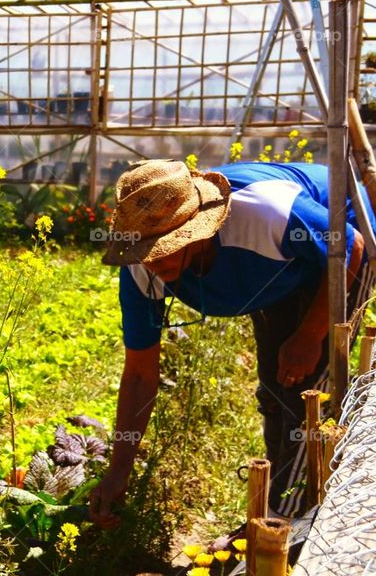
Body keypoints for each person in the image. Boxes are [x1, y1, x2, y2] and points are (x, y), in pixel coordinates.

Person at [88, 159, 375, 530]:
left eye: (165, 249)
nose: (153, 263)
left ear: (198, 231)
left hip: (343, 247)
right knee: (276, 387)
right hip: (280, 271)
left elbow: (350, 246)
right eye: (145, 251)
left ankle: (283, 524)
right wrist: (117, 473)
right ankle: (284, 497)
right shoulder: (141, 268)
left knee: (309, 394)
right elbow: (140, 376)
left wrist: (310, 334)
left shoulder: (266, 212)